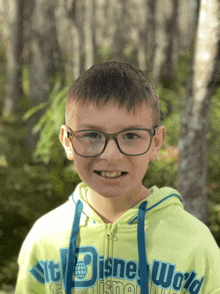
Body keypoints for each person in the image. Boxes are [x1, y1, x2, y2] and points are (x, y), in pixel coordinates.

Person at [15, 60, 220, 294]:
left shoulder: (194, 243)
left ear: (156, 143)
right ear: (67, 141)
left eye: (131, 136)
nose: (110, 155)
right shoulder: (45, 238)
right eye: (91, 135)